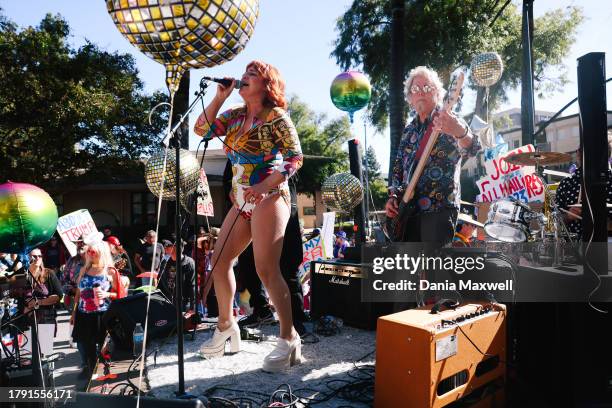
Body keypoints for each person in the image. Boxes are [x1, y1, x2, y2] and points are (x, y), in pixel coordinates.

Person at [194, 60, 303, 372]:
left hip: (269, 195)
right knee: (219, 260)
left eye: (251, 75)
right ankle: (227, 326)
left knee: (267, 269)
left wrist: (266, 183)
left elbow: (295, 157)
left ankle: (288, 337)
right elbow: (200, 129)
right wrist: (219, 98)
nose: (243, 78)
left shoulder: (275, 116)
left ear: (266, 84)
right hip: (241, 199)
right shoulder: (234, 115)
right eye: (243, 74)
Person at [386, 66, 480, 244]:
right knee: (407, 269)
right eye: (415, 89)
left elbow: (473, 148)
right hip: (407, 213)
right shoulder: (408, 131)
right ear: (410, 98)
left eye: (427, 88)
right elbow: (398, 168)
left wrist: (459, 131)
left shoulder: (448, 119)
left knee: (434, 268)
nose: (421, 92)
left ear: (438, 93)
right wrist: (393, 197)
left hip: (438, 209)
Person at [71, 232, 120, 378]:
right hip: (83, 315)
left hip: (102, 314)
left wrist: (106, 295)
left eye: (93, 252)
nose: (90, 254)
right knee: (88, 346)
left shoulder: (110, 271)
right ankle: (91, 372)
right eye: (89, 252)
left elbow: (119, 295)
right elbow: (78, 294)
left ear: (102, 252)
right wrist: (73, 313)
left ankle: (105, 373)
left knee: (104, 346)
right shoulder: (84, 270)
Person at [556, 145, 612, 238]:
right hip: (574, 244)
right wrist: (568, 216)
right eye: (580, 151)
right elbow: (554, 220)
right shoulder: (567, 183)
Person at [23, 248, 63, 336]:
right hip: (26, 319)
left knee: (45, 348)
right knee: (28, 348)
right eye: (34, 256)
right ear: (27, 258)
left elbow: (58, 296)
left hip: (46, 317)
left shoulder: (49, 273)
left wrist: (38, 302)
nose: (37, 258)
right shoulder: (23, 275)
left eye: (39, 256)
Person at [158, 240, 196, 310]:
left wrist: (192, 307)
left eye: (167, 246)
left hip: (183, 303)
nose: (165, 248)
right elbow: (160, 283)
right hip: (167, 302)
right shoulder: (165, 262)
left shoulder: (188, 263)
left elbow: (192, 285)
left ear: (175, 247)